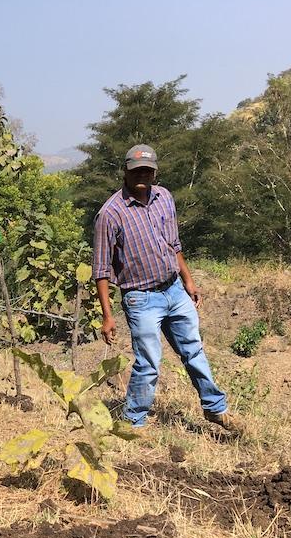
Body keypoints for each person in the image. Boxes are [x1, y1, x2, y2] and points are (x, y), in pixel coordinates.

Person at [92, 144, 238, 432]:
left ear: (155, 171)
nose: (142, 175)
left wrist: (188, 280)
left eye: (147, 170)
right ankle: (134, 423)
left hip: (174, 290)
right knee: (149, 363)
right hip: (140, 298)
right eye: (136, 171)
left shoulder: (164, 198)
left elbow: (173, 245)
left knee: (194, 350)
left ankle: (215, 409)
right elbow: (100, 270)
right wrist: (107, 316)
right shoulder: (110, 214)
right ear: (125, 172)